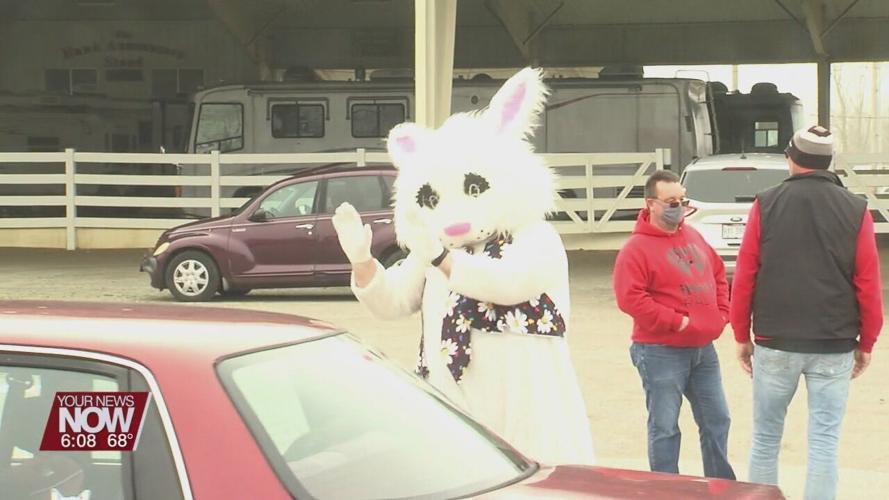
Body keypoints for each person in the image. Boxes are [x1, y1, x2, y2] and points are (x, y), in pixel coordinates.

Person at [331, 68, 594, 465]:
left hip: (526, 407)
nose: (454, 214)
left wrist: (441, 258)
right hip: (453, 406)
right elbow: (394, 301)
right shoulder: (432, 250)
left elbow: (510, 284)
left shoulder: (534, 238)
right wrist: (363, 262)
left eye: (473, 190)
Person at [730, 125, 883, 499]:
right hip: (834, 344)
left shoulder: (766, 203)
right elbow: (868, 282)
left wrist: (740, 335)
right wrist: (867, 341)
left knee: (766, 438)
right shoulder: (856, 209)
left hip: (775, 340)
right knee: (824, 442)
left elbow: (746, 272)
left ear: (793, 158)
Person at [613, 170, 736, 479]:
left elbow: (719, 274)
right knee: (665, 427)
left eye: (682, 200)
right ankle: (666, 489)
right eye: (671, 201)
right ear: (651, 204)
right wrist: (677, 323)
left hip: (703, 351)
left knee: (717, 419)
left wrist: (723, 312)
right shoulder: (635, 250)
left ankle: (721, 485)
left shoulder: (693, 236)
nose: (678, 206)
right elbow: (631, 299)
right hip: (660, 351)